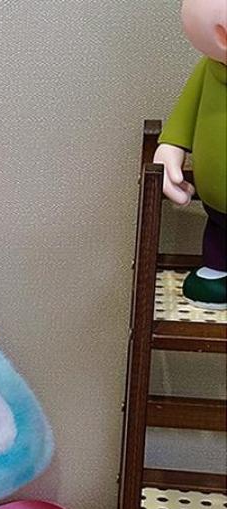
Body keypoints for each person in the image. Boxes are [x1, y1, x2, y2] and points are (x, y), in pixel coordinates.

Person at [153, 0, 226, 310]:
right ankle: (219, 268)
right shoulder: (207, 71)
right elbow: (184, 117)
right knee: (220, 236)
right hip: (218, 207)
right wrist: (169, 148)